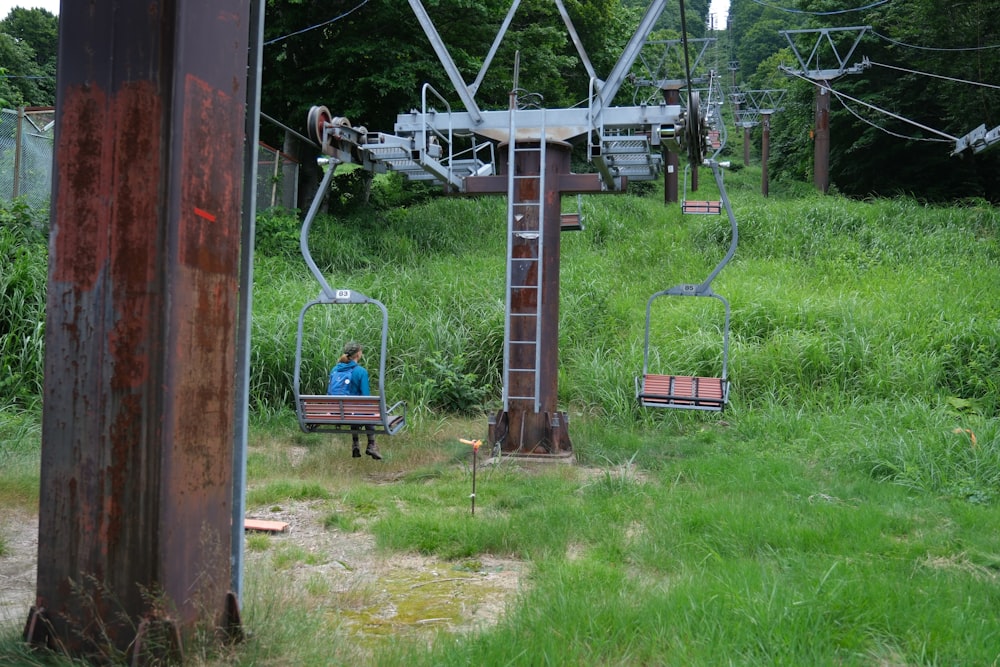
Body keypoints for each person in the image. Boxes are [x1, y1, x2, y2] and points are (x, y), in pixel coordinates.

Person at [329, 341, 382, 460]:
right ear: (358, 354)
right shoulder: (360, 371)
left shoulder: (334, 370)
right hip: (353, 412)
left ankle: (355, 444)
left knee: (353, 410)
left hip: (336, 412)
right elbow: (366, 397)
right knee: (368, 409)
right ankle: (371, 445)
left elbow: (330, 392)